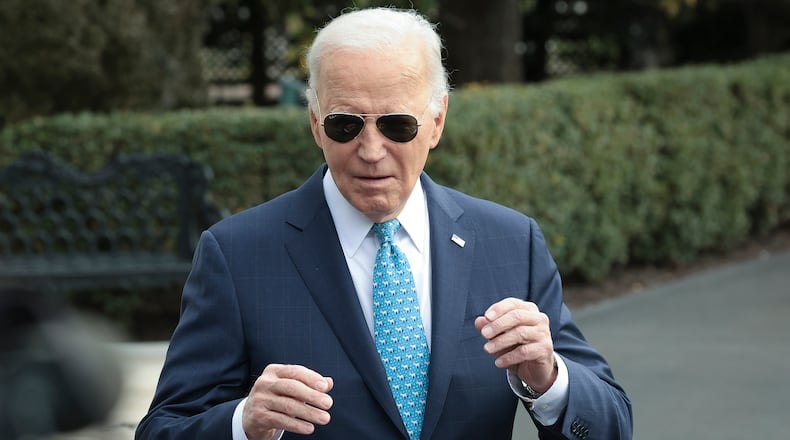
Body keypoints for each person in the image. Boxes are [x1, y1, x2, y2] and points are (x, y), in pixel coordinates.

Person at [136, 7, 632, 440]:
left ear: (436, 121)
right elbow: (165, 428)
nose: (371, 151)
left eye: (397, 125)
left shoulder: (510, 242)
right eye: (345, 125)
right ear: (315, 123)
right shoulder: (237, 254)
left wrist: (549, 380)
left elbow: (611, 425)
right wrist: (244, 423)